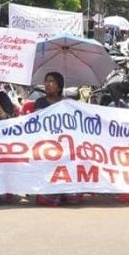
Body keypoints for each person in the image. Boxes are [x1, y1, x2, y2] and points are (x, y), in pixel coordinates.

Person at [34, 72, 84, 207]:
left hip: (65, 143)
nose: (47, 84)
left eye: (51, 82)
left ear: (59, 87)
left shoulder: (68, 103)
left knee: (73, 199)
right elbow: (37, 123)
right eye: (46, 81)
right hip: (46, 143)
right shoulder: (40, 102)